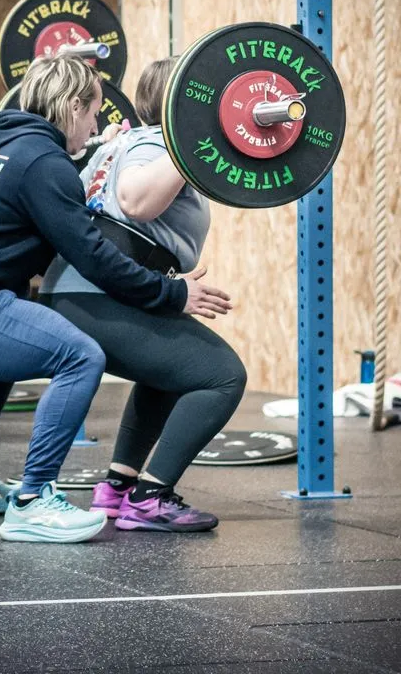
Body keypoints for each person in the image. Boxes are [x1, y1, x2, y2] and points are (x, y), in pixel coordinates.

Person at [0, 54, 231, 544]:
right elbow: (92, 256)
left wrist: (90, 155)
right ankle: (32, 501)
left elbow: (45, 188)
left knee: (1, 359)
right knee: (79, 355)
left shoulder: (5, 149)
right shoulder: (43, 163)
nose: (98, 122)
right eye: (93, 112)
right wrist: (171, 293)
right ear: (72, 107)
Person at [39, 57, 247, 533]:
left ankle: (116, 487)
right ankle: (150, 498)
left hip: (77, 290)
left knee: (169, 371)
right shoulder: (159, 143)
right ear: (183, 106)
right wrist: (193, 139)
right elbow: (135, 201)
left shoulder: (122, 143)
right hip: (100, 293)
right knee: (221, 376)